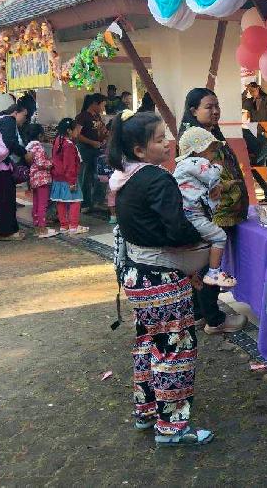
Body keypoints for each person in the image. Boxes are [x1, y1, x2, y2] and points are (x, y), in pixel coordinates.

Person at [108, 110, 213, 446]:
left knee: (148, 343)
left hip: (137, 276)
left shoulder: (125, 178)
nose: (168, 143)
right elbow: (176, 228)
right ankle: (172, 426)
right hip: (162, 278)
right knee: (174, 349)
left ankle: (147, 410)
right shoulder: (157, 179)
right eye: (159, 139)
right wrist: (200, 238)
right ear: (140, 150)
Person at [179, 88, 247, 335]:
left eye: (217, 106)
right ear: (193, 110)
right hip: (211, 215)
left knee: (203, 265)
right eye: (209, 107)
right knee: (209, 267)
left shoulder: (209, 134)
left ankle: (199, 313)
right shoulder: (194, 140)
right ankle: (215, 320)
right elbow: (208, 180)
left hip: (221, 211)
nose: (216, 111)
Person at [174, 126, 236, 289]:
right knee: (219, 237)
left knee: (199, 245)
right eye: (212, 150)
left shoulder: (183, 165)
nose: (214, 155)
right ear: (198, 150)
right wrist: (218, 166)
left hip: (187, 214)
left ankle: (194, 275)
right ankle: (213, 272)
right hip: (193, 215)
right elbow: (212, 175)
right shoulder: (196, 162)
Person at [0, 104, 33, 241]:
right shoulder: (9, 120)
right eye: (24, 115)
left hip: (0, 166)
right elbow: (10, 142)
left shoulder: (2, 121)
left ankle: (11, 230)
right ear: (15, 113)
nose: (25, 119)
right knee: (5, 200)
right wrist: (25, 153)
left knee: (7, 200)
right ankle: (5, 232)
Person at [50, 118, 89, 235]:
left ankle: (64, 225)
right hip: (68, 178)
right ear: (69, 130)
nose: (78, 131)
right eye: (75, 129)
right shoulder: (69, 145)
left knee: (61, 201)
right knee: (75, 201)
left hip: (58, 177)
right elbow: (70, 164)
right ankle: (74, 226)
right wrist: (72, 182)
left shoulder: (58, 140)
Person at [75, 93, 108, 211]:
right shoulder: (82, 116)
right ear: (94, 104)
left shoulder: (97, 117)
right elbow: (77, 134)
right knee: (86, 177)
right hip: (85, 150)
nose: (103, 108)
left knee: (101, 175)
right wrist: (91, 142)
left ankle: (98, 201)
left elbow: (102, 130)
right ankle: (85, 203)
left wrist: (105, 136)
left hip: (98, 150)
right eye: (102, 105)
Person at [25, 123, 57, 239]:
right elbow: (41, 163)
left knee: (36, 203)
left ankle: (37, 225)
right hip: (42, 179)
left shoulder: (29, 147)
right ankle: (42, 228)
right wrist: (51, 162)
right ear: (40, 135)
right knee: (43, 204)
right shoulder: (38, 147)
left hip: (34, 179)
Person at [241, 109, 267, 203]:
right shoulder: (247, 129)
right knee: (257, 172)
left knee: (256, 172)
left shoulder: (243, 130)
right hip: (262, 148)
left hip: (260, 149)